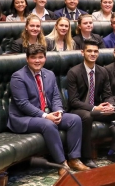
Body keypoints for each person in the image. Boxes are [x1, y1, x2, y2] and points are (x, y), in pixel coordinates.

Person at [8, 44, 87, 173]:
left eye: (40, 57)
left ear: (45, 58)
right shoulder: (18, 77)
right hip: (24, 118)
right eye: (33, 57)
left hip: (47, 114)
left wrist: (58, 111)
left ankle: (74, 159)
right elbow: (23, 104)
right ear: (27, 59)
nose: (37, 61)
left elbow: (55, 97)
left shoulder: (49, 74)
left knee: (75, 119)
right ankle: (62, 164)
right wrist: (45, 116)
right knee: (48, 124)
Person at [66, 40, 115, 167]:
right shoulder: (73, 72)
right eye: (89, 51)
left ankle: (114, 151)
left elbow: (107, 95)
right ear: (82, 52)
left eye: (95, 51)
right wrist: (94, 108)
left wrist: (111, 105)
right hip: (79, 109)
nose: (93, 54)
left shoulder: (102, 71)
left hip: (97, 108)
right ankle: (87, 157)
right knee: (87, 116)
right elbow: (73, 101)